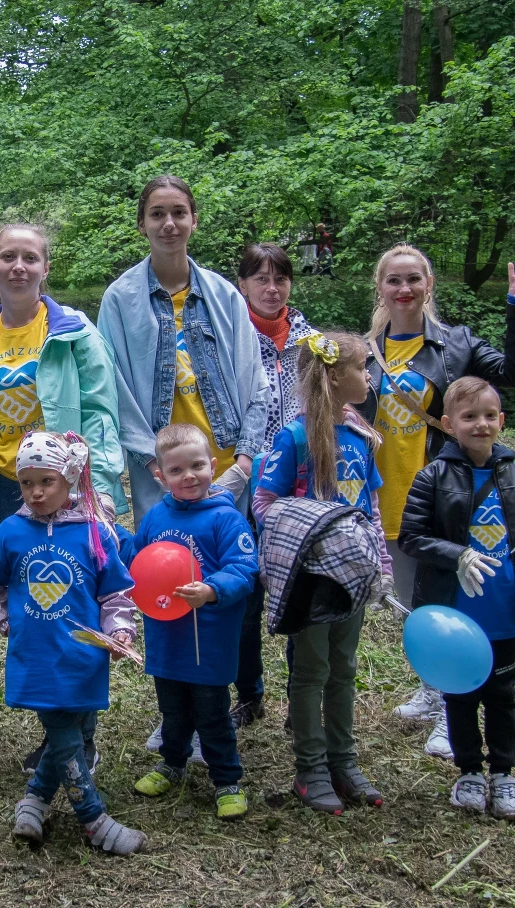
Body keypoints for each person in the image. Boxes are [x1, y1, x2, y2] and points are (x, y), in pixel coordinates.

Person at [0, 223, 125, 774]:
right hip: (8, 491)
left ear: (46, 268)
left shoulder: (75, 333)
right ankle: (59, 733)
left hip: (70, 492)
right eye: (8, 257)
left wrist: (103, 492)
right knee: (38, 615)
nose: (18, 267)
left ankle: (79, 740)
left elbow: (100, 414)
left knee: (78, 605)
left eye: (30, 258)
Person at [360, 246, 515, 760]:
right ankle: (432, 685)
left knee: (447, 596)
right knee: (416, 600)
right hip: (381, 493)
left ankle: (450, 703)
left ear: (429, 283)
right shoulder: (366, 349)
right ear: (381, 288)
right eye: (394, 281)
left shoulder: (456, 344)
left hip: (444, 499)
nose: (404, 290)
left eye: (413, 279)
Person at [0, 432, 146, 855]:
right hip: (38, 660)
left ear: (69, 480)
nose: (35, 492)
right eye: (26, 482)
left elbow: (115, 592)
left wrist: (120, 629)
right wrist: (6, 623)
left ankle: (33, 800)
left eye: (45, 481)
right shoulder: (11, 532)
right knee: (66, 736)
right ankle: (93, 819)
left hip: (84, 658)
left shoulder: (94, 533)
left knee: (77, 729)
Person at [397, 377, 515, 821]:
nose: (480, 424)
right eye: (469, 417)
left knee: (503, 694)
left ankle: (503, 774)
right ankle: (468, 770)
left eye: (489, 416)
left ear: (501, 421)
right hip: (455, 611)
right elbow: (412, 537)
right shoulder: (432, 475)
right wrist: (457, 553)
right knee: (460, 694)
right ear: (449, 424)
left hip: (503, 607)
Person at [253, 331, 390, 815]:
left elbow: (370, 505)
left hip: (353, 575)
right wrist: (311, 528)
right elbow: (264, 502)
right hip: (313, 580)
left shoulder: (359, 436)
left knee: (344, 667)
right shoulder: (294, 437)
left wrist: (380, 561)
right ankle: (309, 768)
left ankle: (343, 762)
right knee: (311, 670)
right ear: (335, 376)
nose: (369, 377)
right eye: (362, 368)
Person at [98, 175, 270, 524]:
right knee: (166, 567)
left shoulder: (224, 296)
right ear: (142, 224)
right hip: (160, 471)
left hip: (225, 469)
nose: (169, 224)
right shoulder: (119, 300)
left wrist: (245, 463)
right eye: (157, 214)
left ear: (194, 219)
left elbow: (257, 385)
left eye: (179, 212)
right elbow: (113, 391)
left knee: (229, 570)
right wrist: (155, 465)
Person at [129, 423, 258, 821]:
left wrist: (211, 589)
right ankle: (172, 761)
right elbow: (137, 561)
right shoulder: (154, 518)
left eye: (197, 466)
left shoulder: (226, 519)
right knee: (172, 708)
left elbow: (244, 568)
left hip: (210, 638)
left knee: (212, 711)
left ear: (213, 465)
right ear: (160, 476)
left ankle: (227, 778)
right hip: (167, 637)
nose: (188, 476)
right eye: (177, 471)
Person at [232, 242, 318, 725]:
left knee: (299, 593)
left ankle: (300, 695)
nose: (271, 288)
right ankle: (249, 693)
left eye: (280, 278)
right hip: (245, 480)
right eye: (260, 278)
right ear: (241, 283)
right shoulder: (230, 335)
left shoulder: (312, 340)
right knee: (246, 594)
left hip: (299, 487)